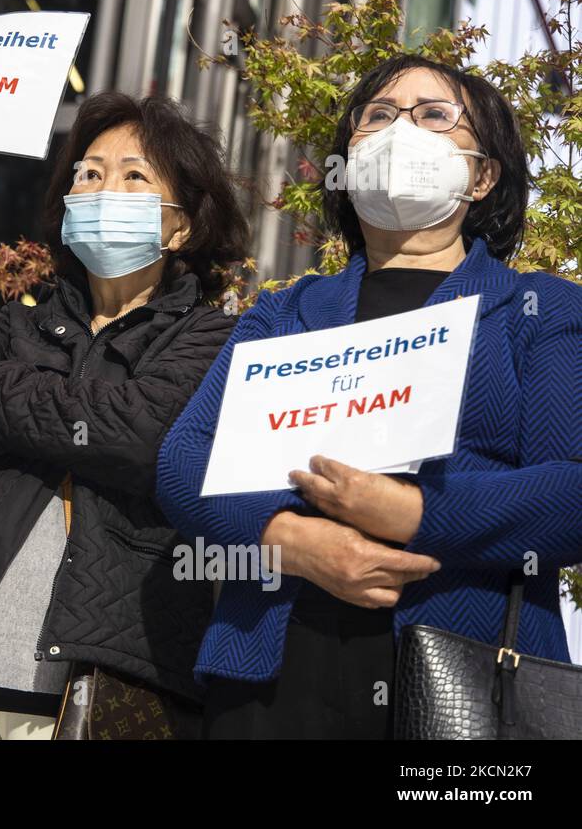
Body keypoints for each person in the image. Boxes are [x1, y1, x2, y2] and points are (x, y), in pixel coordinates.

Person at [158, 54, 582, 738]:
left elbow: (572, 494)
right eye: (377, 116)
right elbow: (185, 461)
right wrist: (292, 542)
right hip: (272, 677)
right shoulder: (284, 313)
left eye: (434, 115)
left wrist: (414, 512)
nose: (398, 132)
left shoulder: (544, 311)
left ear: (483, 175)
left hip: (462, 681)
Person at [0, 93, 249, 740]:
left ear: (180, 226)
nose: (106, 188)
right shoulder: (22, 321)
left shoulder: (213, 338)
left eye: (135, 175)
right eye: (90, 172)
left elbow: (137, 433)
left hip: (103, 684)